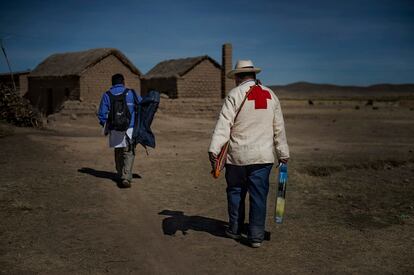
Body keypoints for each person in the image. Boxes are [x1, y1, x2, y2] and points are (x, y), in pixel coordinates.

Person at [208, 60, 290, 248]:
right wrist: (283, 153)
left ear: (237, 77)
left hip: (237, 156)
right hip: (263, 157)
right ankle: (255, 236)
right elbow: (279, 128)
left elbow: (224, 125)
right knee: (258, 196)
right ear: (254, 75)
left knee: (236, 192)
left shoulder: (234, 94)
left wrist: (214, 149)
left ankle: (234, 229)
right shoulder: (271, 95)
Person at [97, 73, 142, 188]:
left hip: (114, 128)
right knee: (129, 152)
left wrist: (107, 126)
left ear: (112, 83)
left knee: (118, 151)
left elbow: (102, 114)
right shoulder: (131, 93)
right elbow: (141, 105)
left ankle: (119, 173)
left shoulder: (107, 95)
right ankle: (126, 177)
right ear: (123, 82)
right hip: (129, 128)